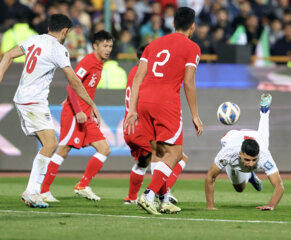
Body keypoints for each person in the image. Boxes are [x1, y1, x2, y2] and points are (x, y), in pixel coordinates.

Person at [0, 14, 101, 208]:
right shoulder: (58, 49)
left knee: (47, 145)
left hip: (26, 98)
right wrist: (92, 104)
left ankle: (36, 191)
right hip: (33, 101)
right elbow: (74, 80)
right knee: (51, 143)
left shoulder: (34, 39)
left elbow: (8, 55)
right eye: (68, 33)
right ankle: (32, 191)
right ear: (64, 31)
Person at [125, 7, 203, 215]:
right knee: (175, 153)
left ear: (173, 23)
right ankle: (149, 195)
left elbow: (138, 77)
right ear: (193, 25)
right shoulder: (192, 47)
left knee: (158, 152)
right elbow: (188, 83)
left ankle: (163, 199)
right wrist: (195, 114)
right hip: (165, 102)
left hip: (144, 101)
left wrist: (132, 109)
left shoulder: (153, 44)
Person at [39, 30, 114, 202]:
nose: (108, 49)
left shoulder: (99, 63)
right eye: (104, 46)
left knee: (104, 149)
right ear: (95, 46)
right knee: (63, 149)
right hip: (75, 113)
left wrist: (92, 108)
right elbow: (71, 87)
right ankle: (43, 190)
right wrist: (79, 110)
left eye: (110, 46)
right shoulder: (88, 62)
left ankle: (83, 185)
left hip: (85, 114)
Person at [123, 45, 189, 205]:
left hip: (129, 126)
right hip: (141, 124)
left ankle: (131, 198)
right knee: (177, 156)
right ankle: (161, 193)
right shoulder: (149, 74)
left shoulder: (134, 72)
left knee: (143, 162)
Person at [205, 94, 285, 211]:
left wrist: (271, 205)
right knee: (240, 188)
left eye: (254, 160)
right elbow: (210, 177)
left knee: (264, 141)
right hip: (232, 137)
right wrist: (210, 206)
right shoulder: (227, 154)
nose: (251, 164)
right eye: (247, 160)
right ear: (240, 154)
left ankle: (264, 111)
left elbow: (279, 186)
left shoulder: (263, 155)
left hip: (256, 137)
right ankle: (251, 176)